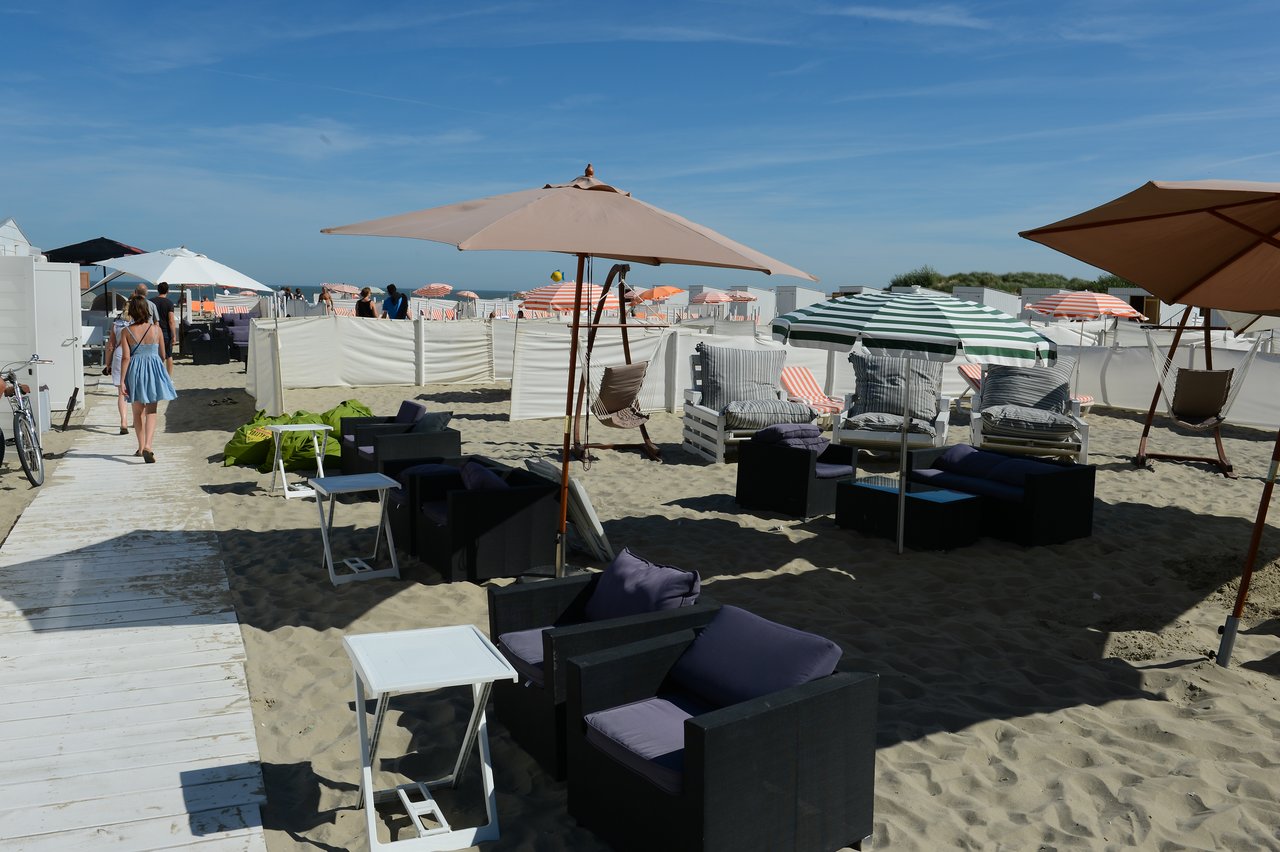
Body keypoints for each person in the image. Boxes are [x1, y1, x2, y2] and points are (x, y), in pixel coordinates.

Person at [119, 295, 177, 463]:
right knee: (151, 410)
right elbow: (163, 355)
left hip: (135, 370)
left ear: (132, 311)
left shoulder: (126, 331)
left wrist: (122, 381)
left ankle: (140, 445)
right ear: (147, 310)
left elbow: (125, 358)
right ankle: (149, 446)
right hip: (153, 368)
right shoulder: (156, 330)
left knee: (137, 412)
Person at [101, 312, 132, 434]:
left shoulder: (116, 325)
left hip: (119, 354)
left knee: (121, 392)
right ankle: (137, 420)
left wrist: (108, 364)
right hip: (134, 355)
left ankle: (123, 421)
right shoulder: (138, 324)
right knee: (136, 390)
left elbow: (110, 346)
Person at [151, 281, 177, 375]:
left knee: (155, 354)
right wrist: (174, 335)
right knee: (168, 355)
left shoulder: (151, 301)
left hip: (153, 331)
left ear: (158, 290)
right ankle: (168, 377)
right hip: (165, 332)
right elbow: (171, 321)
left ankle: (156, 374)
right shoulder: (169, 303)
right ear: (168, 291)